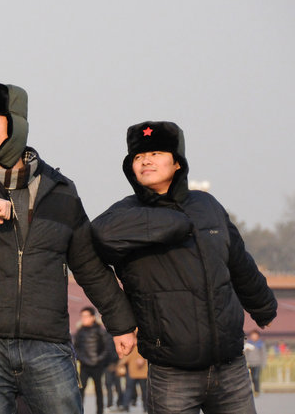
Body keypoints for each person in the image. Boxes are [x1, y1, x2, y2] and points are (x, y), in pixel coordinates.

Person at [0, 83, 137, 414]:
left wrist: (121, 323)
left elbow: (88, 265)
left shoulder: (60, 191)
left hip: (47, 346)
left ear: (15, 125)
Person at [91, 121, 278, 414]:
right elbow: (99, 236)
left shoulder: (208, 206)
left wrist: (264, 306)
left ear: (177, 162)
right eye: (138, 157)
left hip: (230, 366)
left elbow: (239, 262)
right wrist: (173, 222)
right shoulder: (123, 214)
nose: (146, 161)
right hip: (171, 373)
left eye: (155, 153)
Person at [73, 306, 107, 414]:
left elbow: (107, 348)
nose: (84, 318)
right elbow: (75, 348)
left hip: (97, 366)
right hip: (84, 366)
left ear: (93, 317)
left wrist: (99, 359)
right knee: (80, 391)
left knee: (99, 391)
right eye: (82, 316)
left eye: (86, 316)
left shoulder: (100, 331)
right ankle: (79, 411)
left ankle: (100, 412)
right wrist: (81, 359)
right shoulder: (79, 332)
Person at [118, 348, 147, 412]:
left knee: (129, 389)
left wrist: (120, 364)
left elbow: (126, 358)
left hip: (133, 372)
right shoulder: (144, 342)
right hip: (142, 372)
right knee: (144, 390)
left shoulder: (131, 345)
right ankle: (146, 407)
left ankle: (125, 406)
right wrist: (143, 359)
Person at [244, 330, 267, 396]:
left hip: (258, 363)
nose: (253, 336)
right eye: (252, 335)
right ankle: (250, 390)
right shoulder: (248, 344)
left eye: (255, 335)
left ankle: (257, 390)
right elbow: (245, 354)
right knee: (250, 378)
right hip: (250, 363)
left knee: (256, 377)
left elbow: (264, 354)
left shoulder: (260, 344)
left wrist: (263, 363)